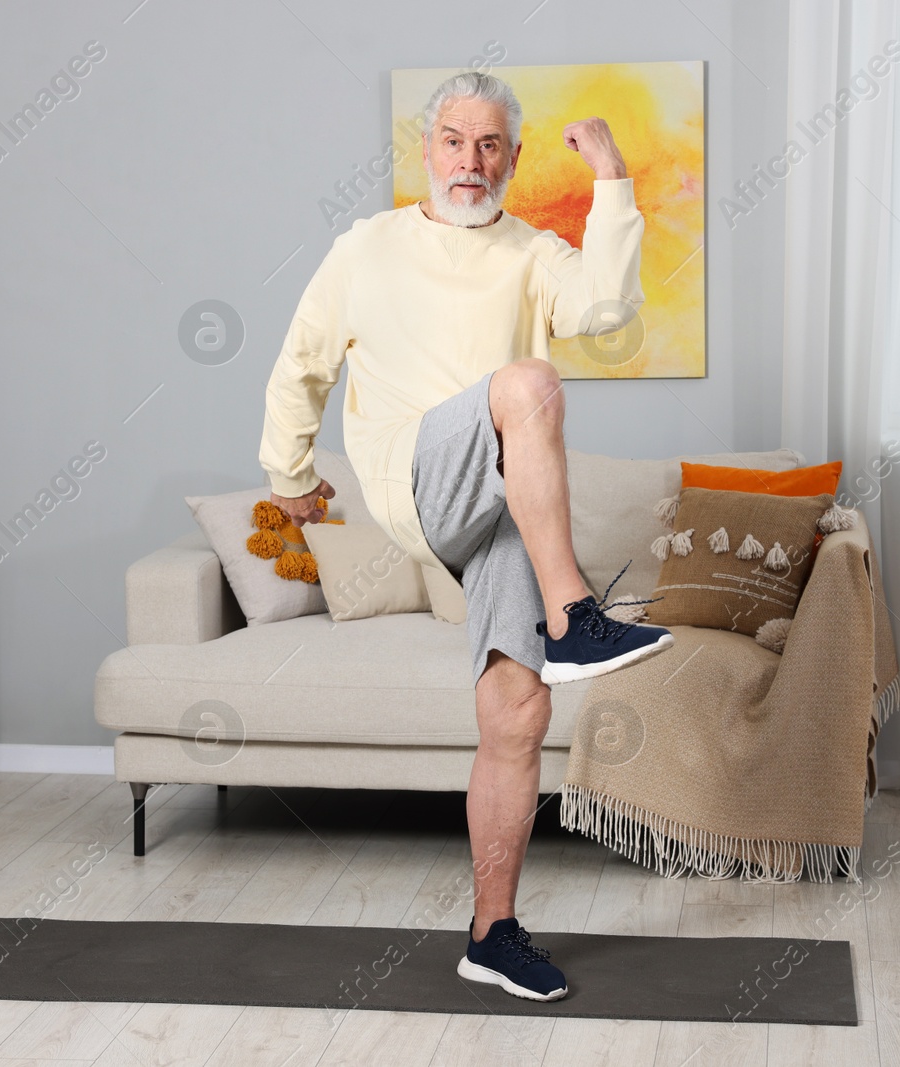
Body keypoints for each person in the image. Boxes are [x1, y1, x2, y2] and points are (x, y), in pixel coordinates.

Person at [259, 71, 672, 1002]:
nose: (470, 160)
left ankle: (493, 931)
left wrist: (611, 178)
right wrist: (290, 478)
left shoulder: (534, 251)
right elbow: (302, 364)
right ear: (426, 149)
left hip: (496, 501)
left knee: (518, 714)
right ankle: (578, 616)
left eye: (489, 145)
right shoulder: (368, 249)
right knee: (526, 383)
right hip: (414, 473)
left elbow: (608, 315)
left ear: (516, 161)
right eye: (453, 139)